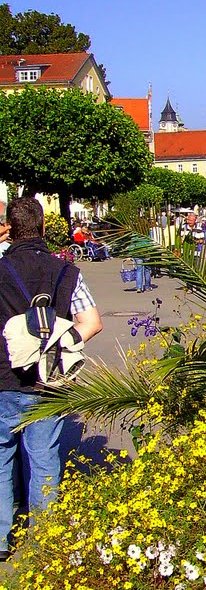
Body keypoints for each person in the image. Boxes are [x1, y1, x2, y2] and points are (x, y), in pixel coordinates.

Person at [0, 197, 102, 561]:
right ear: (43, 227)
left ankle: (2, 535)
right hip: (49, 382)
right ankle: (45, 540)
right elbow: (92, 323)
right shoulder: (66, 271)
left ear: (10, 229)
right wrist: (59, 345)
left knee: (1, 455)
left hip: (3, 381)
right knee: (43, 456)